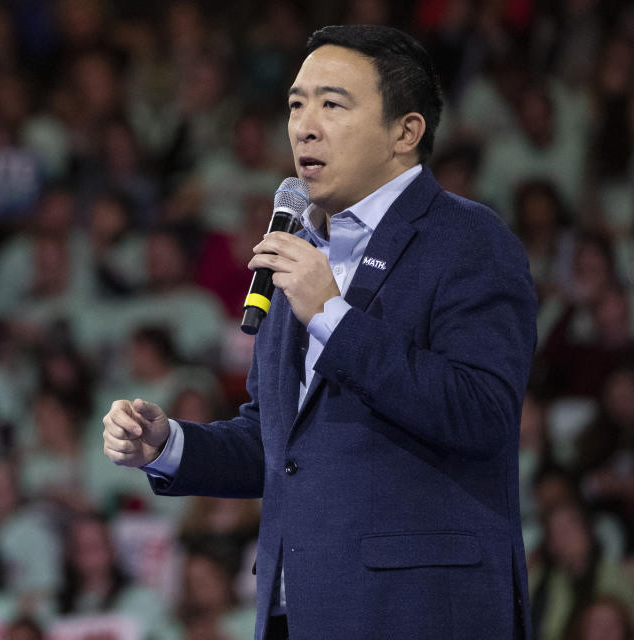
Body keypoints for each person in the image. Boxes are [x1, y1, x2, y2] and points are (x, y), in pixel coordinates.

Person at [102, 25, 537, 640]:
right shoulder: (302, 250)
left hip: (418, 611)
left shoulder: (468, 240)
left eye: (332, 104)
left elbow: (483, 412)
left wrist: (333, 316)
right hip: (296, 609)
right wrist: (169, 445)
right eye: (296, 104)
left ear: (405, 133)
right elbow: (281, 443)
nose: (304, 125)